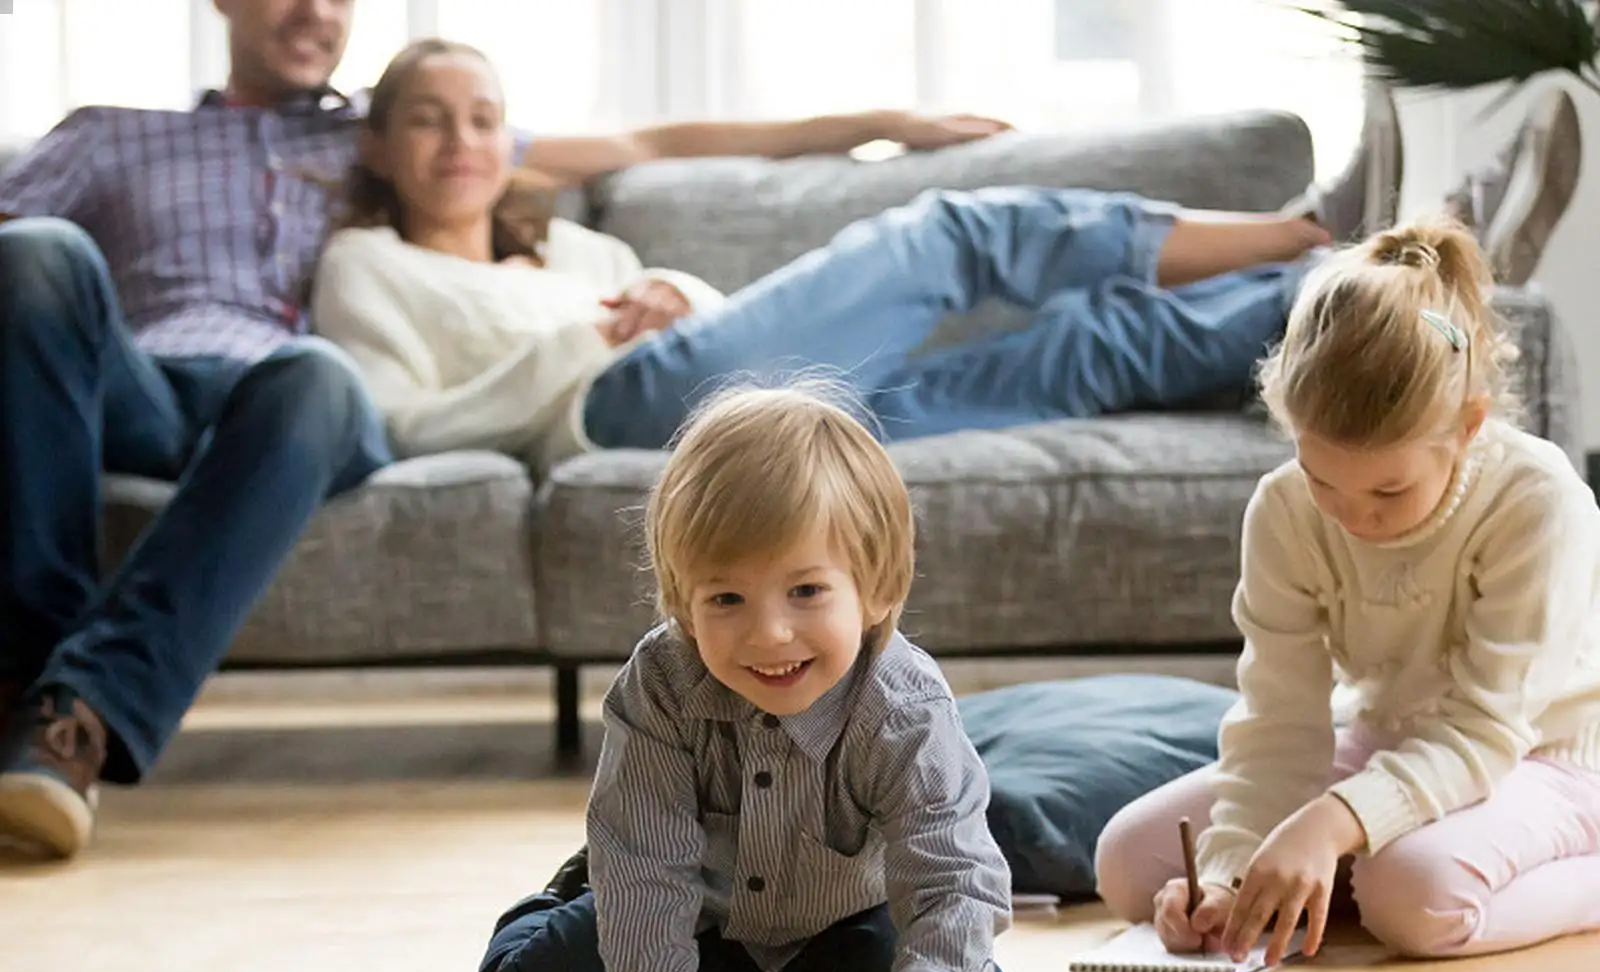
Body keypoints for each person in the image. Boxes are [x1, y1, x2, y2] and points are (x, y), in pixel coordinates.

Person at [0, 0, 1005, 862]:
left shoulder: (377, 135)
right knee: (36, 253)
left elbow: (653, 146)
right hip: (138, 384)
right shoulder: (108, 134)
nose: (314, 9)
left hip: (294, 408)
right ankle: (33, 687)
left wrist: (883, 120)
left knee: (313, 372)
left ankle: (70, 718)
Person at [311, 38, 1394, 472]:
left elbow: (724, 331)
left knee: (1083, 351)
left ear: (513, 142)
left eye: (483, 117)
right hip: (622, 414)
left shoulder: (576, 246)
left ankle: (1350, 285)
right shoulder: (369, 267)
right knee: (948, 236)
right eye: (426, 119)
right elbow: (393, 426)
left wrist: (669, 291)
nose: (460, 142)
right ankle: (1308, 225)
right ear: (376, 142)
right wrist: (581, 342)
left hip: (757, 421)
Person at [477, 386, 1013, 972]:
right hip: (698, 907)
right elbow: (648, 873)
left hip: (848, 911)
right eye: (725, 599)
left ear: (879, 590)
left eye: (806, 591)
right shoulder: (662, 683)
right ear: (680, 603)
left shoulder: (905, 706)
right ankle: (570, 888)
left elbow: (953, 876)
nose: (768, 635)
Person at [1094, 217, 1600, 968]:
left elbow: (1487, 729)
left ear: (1467, 428)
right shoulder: (1284, 506)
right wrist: (1230, 877)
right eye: (1324, 479)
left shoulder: (1537, 498)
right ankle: (1351, 867)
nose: (1354, 517)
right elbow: (1279, 716)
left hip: (1543, 753)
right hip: (1387, 742)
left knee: (1414, 900)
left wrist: (1328, 826)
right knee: (1131, 865)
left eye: (1389, 491)